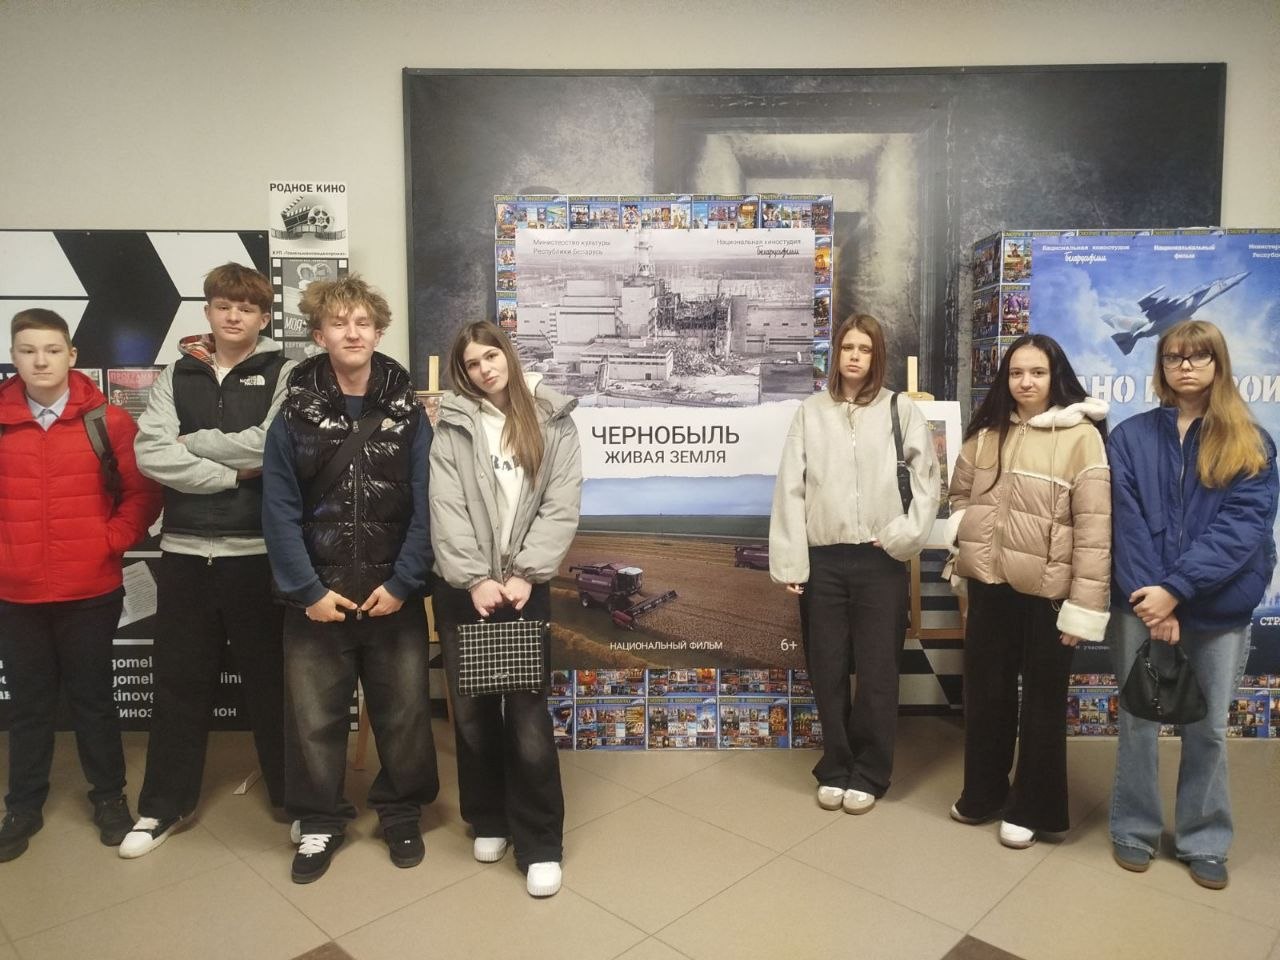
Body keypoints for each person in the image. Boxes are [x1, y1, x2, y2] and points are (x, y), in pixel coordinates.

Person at [262, 274, 438, 884]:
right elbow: (278, 509)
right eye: (339, 323)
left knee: (404, 713)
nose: (353, 332)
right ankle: (319, 819)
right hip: (317, 600)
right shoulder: (293, 413)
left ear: (378, 331)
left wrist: (406, 581)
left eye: (363, 322)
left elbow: (428, 503)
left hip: (393, 596)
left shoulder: (408, 412)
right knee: (313, 720)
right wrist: (307, 591)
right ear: (319, 335)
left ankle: (401, 811)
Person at [121, 262, 294, 858]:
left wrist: (192, 444)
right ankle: (162, 807)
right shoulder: (177, 373)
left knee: (273, 685)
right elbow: (151, 453)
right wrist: (229, 473)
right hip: (186, 553)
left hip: (257, 554)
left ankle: (297, 803)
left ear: (263, 317)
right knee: (178, 684)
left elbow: (272, 446)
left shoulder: (285, 372)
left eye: (246, 308)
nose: (234, 316)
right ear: (208, 311)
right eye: (224, 306)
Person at [1107, 320, 1277, 890]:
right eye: (1174, 357)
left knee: (1207, 729)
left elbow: (1242, 529)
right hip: (1142, 602)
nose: (1185, 366)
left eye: (1198, 357)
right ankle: (1134, 829)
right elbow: (1126, 525)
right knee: (1137, 721)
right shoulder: (1129, 437)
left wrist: (1176, 590)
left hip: (1218, 606)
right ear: (1161, 366)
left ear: (1218, 365)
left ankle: (1204, 838)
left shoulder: (1250, 441)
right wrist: (1154, 601)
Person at [0, 309, 162, 861]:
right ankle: (22, 806)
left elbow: (143, 493)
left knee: (93, 700)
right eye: (27, 350)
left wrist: (108, 541)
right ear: (14, 357)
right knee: (29, 705)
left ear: (71, 355)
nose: (40, 360)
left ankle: (109, 799)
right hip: (15, 594)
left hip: (90, 590)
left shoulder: (107, 421)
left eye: (51, 349)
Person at [430, 320, 582, 898]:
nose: (484, 369)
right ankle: (488, 818)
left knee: (527, 718)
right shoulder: (452, 425)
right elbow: (445, 506)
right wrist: (474, 578)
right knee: (471, 715)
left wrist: (525, 574)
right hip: (464, 589)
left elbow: (561, 503)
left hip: (523, 588)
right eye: (471, 364)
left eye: (490, 356)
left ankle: (540, 842)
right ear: (463, 373)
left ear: (508, 356)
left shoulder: (552, 419)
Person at [769, 313, 940, 814]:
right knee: (826, 668)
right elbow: (790, 487)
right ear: (836, 354)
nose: (855, 357)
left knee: (878, 670)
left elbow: (928, 480)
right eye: (848, 347)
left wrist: (903, 536)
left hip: (879, 558)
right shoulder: (810, 412)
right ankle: (836, 765)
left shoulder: (899, 409)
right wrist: (792, 563)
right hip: (823, 561)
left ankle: (870, 770)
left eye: (865, 349)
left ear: (876, 356)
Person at [945, 333, 1110, 848]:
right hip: (991, 586)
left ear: (1055, 375)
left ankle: (1033, 808)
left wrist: (1084, 606)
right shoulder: (987, 432)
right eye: (1016, 373)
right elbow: (959, 494)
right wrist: (967, 536)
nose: (1026, 382)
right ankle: (984, 793)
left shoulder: (1081, 436)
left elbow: (1096, 527)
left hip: (1049, 595)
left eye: (1037, 372)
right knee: (986, 695)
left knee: (1042, 703)